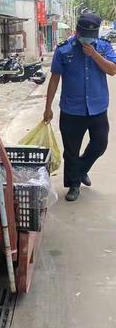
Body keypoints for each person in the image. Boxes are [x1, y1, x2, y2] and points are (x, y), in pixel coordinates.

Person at [44, 13, 116, 202]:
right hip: (71, 110)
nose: (87, 38)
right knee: (71, 151)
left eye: (91, 35)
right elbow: (54, 80)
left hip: (97, 107)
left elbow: (112, 70)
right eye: (83, 34)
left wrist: (94, 55)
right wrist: (48, 107)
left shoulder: (104, 47)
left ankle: (82, 169)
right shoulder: (63, 50)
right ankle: (74, 185)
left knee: (100, 144)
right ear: (76, 31)